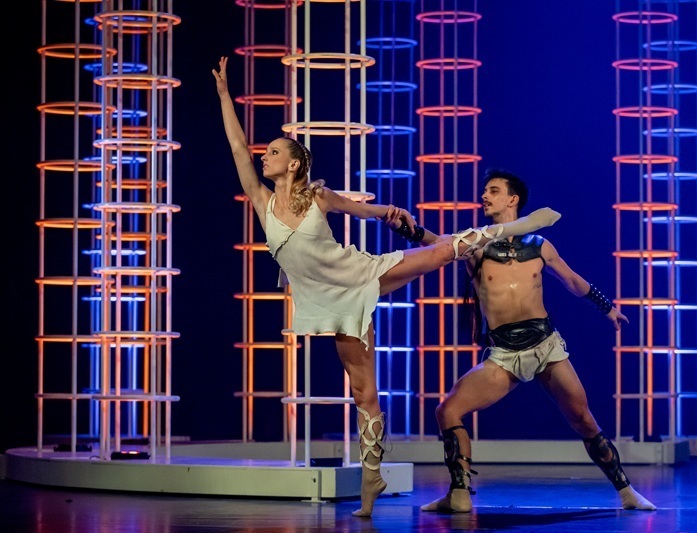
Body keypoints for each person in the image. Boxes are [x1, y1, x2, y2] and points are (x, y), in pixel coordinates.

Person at [211, 57, 562, 517]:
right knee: (364, 393)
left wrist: (392, 214)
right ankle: (371, 478)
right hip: (327, 302)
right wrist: (224, 94)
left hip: (361, 274)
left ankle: (517, 226)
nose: (264, 156)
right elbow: (238, 148)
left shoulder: (317, 196)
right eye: (267, 152)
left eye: (274, 152)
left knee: (440, 253)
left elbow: (362, 210)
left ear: (294, 164)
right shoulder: (262, 201)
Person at [388, 168, 656, 513]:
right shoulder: (477, 246)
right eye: (485, 191)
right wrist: (408, 229)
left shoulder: (540, 246)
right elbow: (439, 244)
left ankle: (627, 492)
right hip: (504, 354)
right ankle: (459, 494)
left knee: (583, 419)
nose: (484, 196)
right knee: (448, 410)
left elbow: (572, 281)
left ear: (512, 199)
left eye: (493, 191)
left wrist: (607, 308)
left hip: (546, 347)